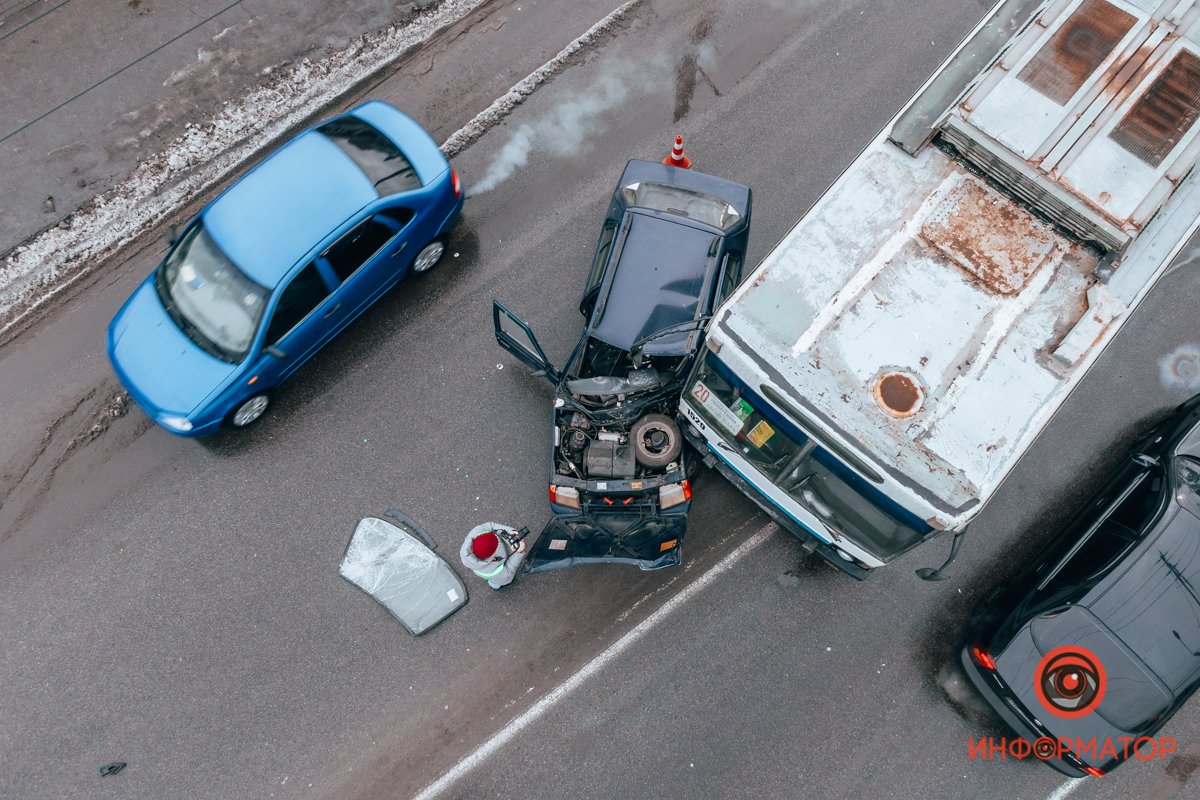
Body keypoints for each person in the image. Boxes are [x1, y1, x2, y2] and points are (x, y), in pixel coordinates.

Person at [460, 522, 526, 589]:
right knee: (497, 582)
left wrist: (509, 531)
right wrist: (518, 553)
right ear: (492, 554)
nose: (497, 537)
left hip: (491, 569)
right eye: (497, 543)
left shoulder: (476, 533)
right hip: (498, 575)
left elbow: (491, 526)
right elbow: (508, 572)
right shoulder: (491, 570)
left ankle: (493, 584)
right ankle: (495, 585)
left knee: (494, 580)